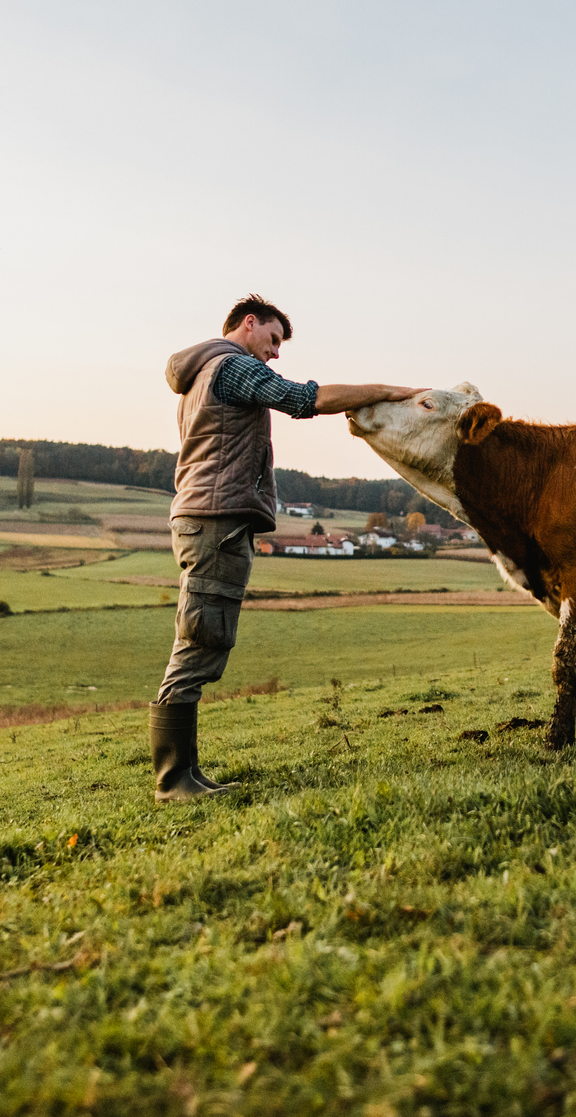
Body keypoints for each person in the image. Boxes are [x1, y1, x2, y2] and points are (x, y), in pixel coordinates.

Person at [154, 295, 419, 802]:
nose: (275, 353)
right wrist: (388, 391)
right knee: (200, 638)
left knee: (205, 635)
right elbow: (304, 399)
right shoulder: (231, 366)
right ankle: (172, 780)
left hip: (210, 519)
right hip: (215, 522)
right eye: (273, 340)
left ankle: (184, 772)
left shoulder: (206, 373)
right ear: (248, 325)